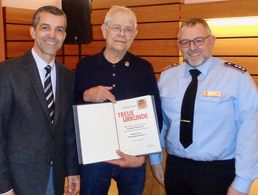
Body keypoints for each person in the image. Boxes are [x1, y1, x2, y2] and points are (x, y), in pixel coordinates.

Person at [150, 18, 258, 195]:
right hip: (176, 167)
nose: (192, 48)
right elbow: (159, 123)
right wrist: (155, 160)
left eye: (198, 41)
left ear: (212, 41)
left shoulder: (236, 77)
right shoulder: (168, 77)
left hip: (218, 171)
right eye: (185, 42)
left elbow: (251, 130)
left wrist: (243, 182)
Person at [74, 5, 162, 195]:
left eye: (128, 29)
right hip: (95, 162)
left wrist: (142, 157)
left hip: (133, 159)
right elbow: (71, 110)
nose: (122, 33)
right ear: (104, 30)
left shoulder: (144, 68)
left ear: (135, 33)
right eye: (116, 27)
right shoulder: (85, 66)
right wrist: (85, 95)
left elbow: (156, 115)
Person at [0, 6, 80, 195]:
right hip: (18, 180)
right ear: (33, 31)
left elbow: (68, 130)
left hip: (56, 177)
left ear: (64, 35)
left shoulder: (68, 76)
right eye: (46, 27)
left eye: (59, 29)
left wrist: (72, 171)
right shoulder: (7, 72)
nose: (53, 35)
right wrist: (3, 187)